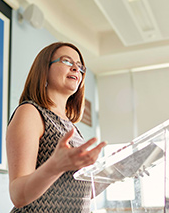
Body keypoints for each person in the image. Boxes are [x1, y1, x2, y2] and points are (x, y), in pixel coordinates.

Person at [6, 42, 107, 212]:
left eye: (80, 66)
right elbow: (18, 195)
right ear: (44, 70)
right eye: (67, 61)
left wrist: (114, 174)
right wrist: (55, 166)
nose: (76, 68)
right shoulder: (30, 112)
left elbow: (77, 191)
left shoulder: (72, 128)